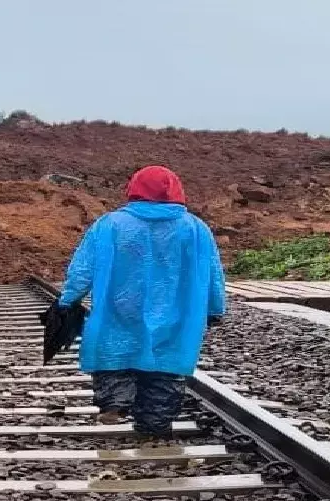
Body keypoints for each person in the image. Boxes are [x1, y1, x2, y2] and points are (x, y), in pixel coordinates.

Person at [57, 165, 226, 437]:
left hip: (119, 310)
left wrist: (68, 300)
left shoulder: (110, 225)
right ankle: (154, 423)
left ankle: (115, 402)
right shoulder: (196, 229)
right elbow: (212, 274)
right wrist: (215, 308)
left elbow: (83, 269)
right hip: (175, 315)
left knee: (114, 357)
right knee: (165, 368)